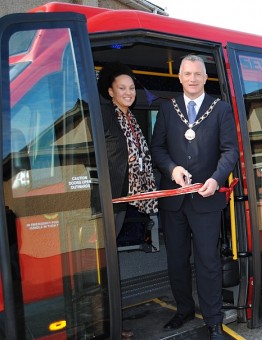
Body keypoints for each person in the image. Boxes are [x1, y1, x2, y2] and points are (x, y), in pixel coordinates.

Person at [150, 55, 239, 339]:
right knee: (176, 260)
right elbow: (157, 148)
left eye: (197, 74)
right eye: (187, 74)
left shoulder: (221, 109)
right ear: (179, 77)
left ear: (205, 77)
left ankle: (213, 320)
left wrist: (215, 179)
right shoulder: (167, 109)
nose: (192, 78)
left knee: (208, 262)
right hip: (174, 199)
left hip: (207, 198)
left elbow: (230, 152)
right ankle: (184, 309)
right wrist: (172, 168)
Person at [97, 62, 158, 339]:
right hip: (107, 200)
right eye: (122, 88)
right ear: (110, 91)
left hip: (123, 200)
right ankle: (105, 326)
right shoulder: (105, 115)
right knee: (101, 266)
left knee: (108, 265)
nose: (128, 92)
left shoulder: (131, 118)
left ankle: (110, 323)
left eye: (131, 88)